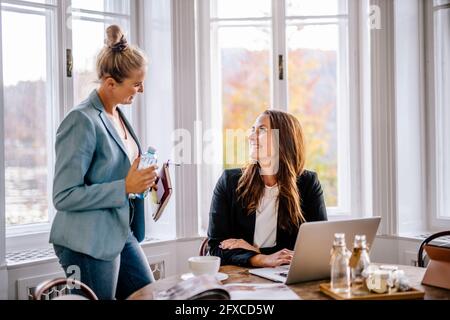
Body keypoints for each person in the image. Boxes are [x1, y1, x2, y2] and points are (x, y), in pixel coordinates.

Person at [49, 25, 156, 300]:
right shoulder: (81, 121)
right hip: (86, 242)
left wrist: (145, 181)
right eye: (136, 83)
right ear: (110, 83)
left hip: (120, 232)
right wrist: (124, 186)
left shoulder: (117, 114)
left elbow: (118, 171)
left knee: (147, 295)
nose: (141, 89)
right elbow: (64, 196)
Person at [208, 110, 327, 267]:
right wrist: (262, 259)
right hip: (242, 281)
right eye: (252, 130)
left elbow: (317, 247)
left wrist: (252, 249)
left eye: (262, 130)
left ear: (283, 140)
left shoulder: (308, 183)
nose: (251, 137)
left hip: (286, 277)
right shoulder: (229, 182)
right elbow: (216, 247)